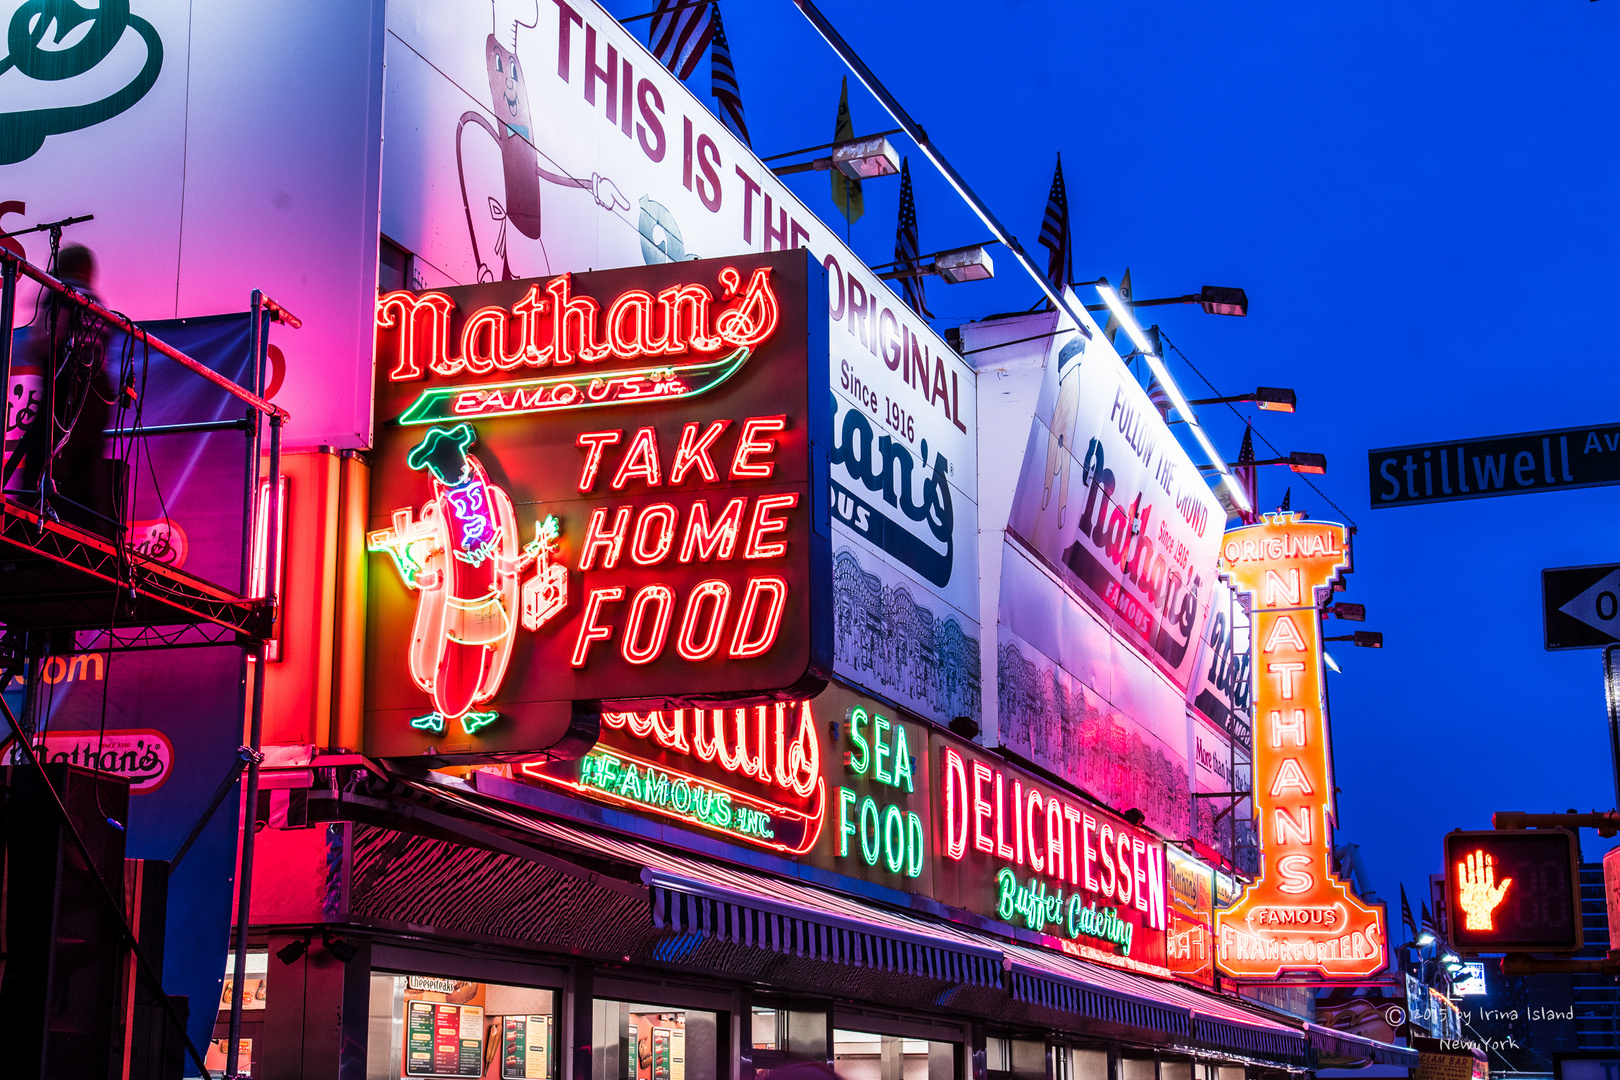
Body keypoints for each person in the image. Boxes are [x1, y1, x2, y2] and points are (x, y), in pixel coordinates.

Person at [4, 244, 116, 531]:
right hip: (99, 392)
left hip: (67, 389)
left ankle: (32, 532)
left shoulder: (60, 293)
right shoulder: (98, 302)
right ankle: (94, 542)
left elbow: (44, 343)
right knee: (88, 470)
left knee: (46, 461)